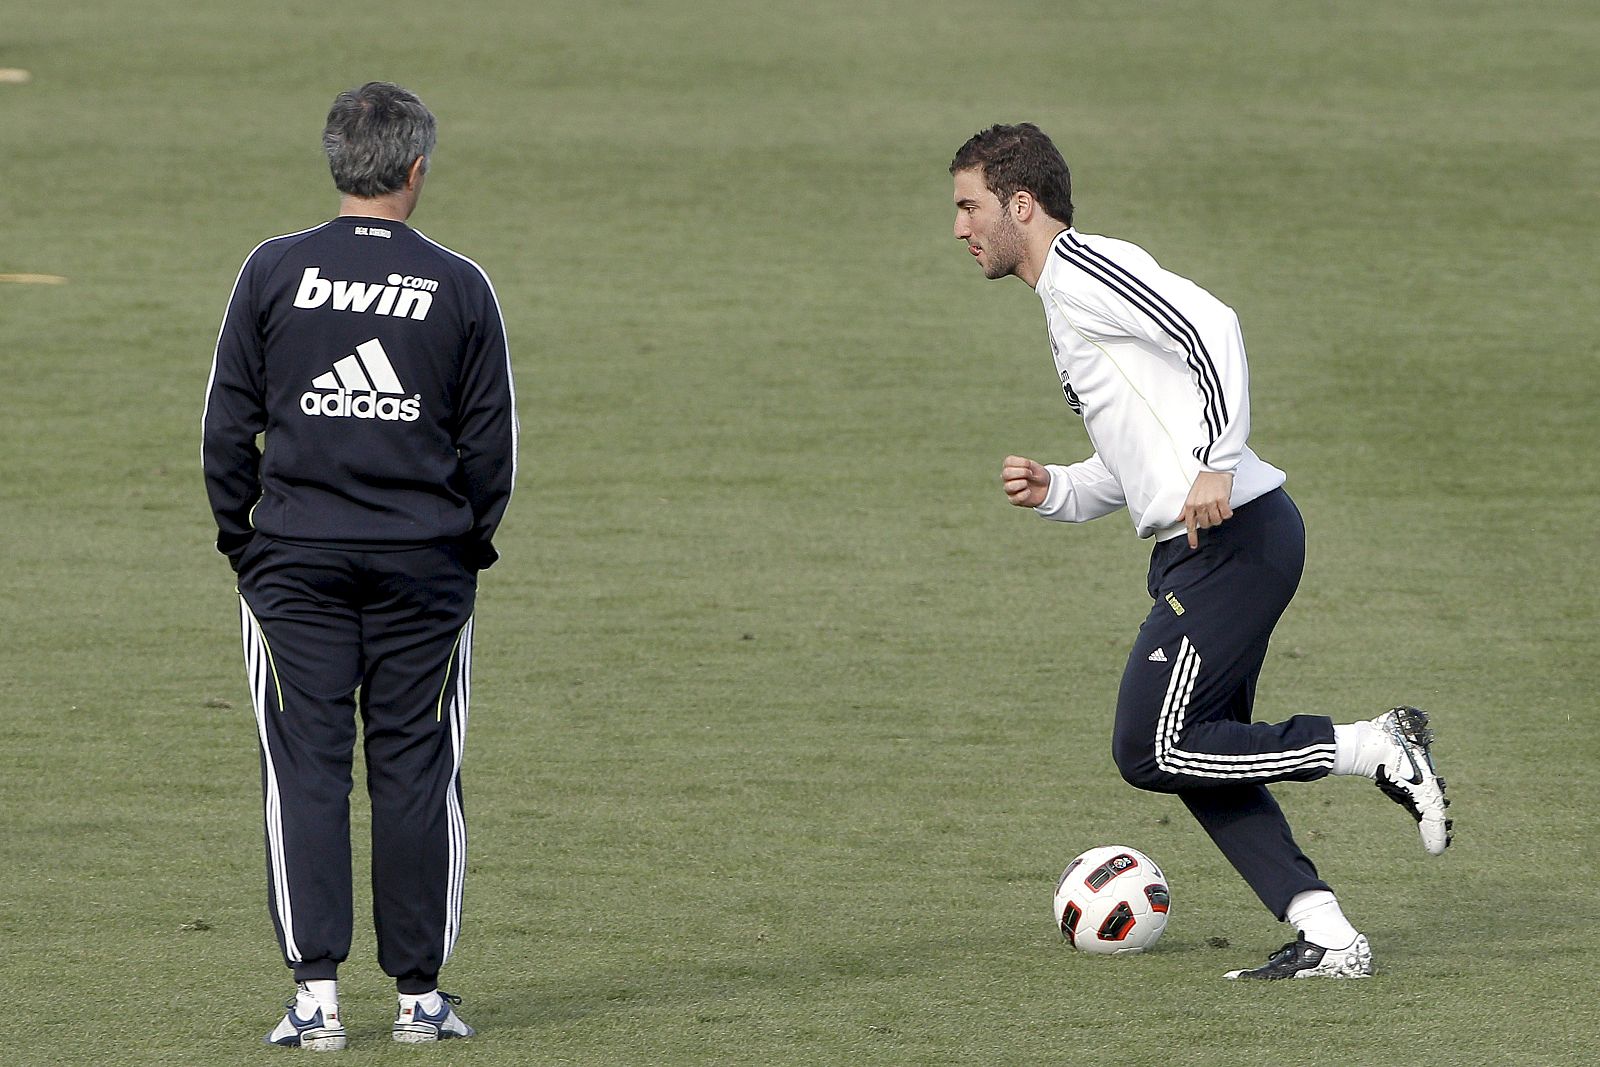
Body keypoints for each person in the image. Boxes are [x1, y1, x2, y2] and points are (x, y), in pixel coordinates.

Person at [949, 123, 1450, 979]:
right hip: (1205, 545)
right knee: (1202, 751)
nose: (960, 228)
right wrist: (1059, 489)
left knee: (1149, 745)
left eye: (970, 207)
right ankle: (1327, 933)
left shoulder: (1084, 268)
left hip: (1234, 534)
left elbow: (1212, 324)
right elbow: (1139, 454)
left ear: (1020, 205)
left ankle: (1378, 745)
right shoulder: (1061, 308)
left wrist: (1219, 458)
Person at [202, 82, 516, 1045]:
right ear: (417, 169)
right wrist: (464, 553)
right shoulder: (459, 283)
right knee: (418, 764)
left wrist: (243, 545)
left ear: (338, 162)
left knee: (306, 767)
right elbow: (492, 447)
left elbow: (226, 427)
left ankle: (317, 1000)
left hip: (294, 562)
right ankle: (420, 999)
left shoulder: (271, 270)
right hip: (424, 567)